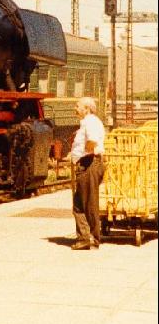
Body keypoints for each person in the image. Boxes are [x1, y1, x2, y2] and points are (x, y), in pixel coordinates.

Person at [70, 96, 106, 250]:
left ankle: (91, 238)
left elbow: (92, 142)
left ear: (86, 108)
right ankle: (84, 237)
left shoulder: (90, 121)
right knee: (79, 204)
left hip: (89, 163)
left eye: (77, 106)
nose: (75, 108)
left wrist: (83, 155)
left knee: (89, 203)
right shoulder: (90, 122)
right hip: (88, 162)